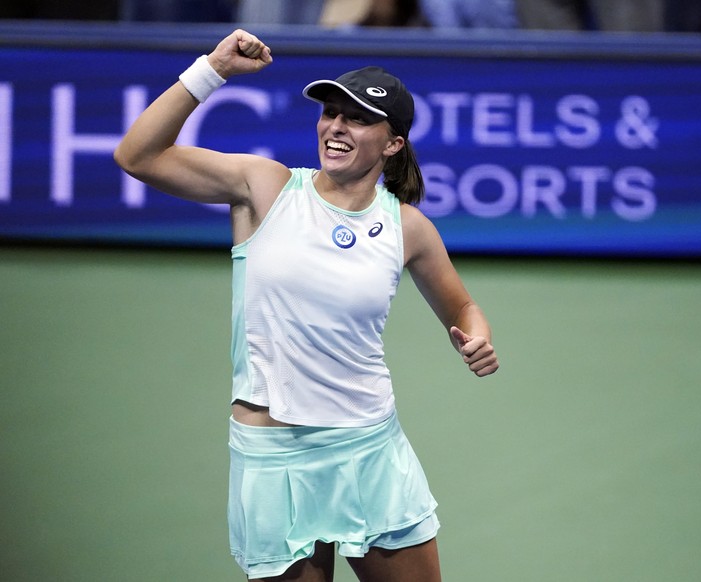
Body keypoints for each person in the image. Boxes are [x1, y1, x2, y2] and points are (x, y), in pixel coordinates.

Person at [114, 29, 499, 581]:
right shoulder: (264, 187)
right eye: (330, 113)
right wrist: (212, 70)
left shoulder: (406, 227)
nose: (336, 126)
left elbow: (463, 308)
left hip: (368, 449)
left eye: (359, 118)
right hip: (272, 458)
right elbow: (137, 155)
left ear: (393, 144)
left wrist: (477, 337)